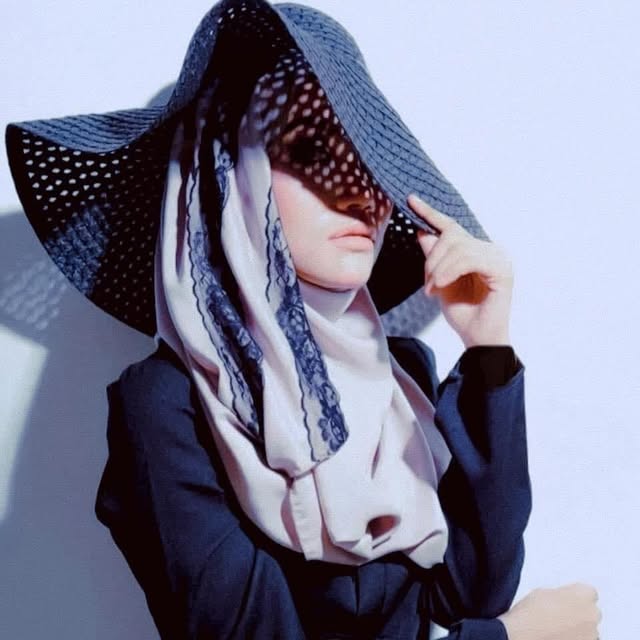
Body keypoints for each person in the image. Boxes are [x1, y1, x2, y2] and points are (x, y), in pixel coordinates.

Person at [5, 1, 601, 638]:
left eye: (370, 159)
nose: (360, 191)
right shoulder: (169, 404)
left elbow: (472, 592)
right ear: (236, 178)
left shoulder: (402, 377)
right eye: (312, 149)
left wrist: (488, 350)